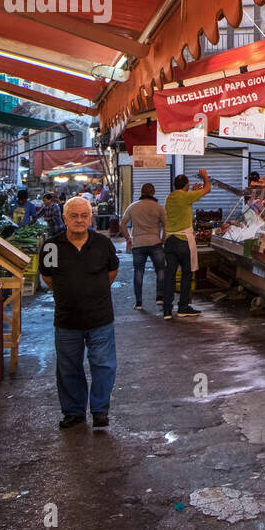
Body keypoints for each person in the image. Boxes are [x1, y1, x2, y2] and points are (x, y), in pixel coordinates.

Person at [40, 196, 119, 429]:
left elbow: (112, 272)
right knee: (68, 368)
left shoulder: (102, 244)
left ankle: (100, 411)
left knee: (104, 365)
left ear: (91, 218)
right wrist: (69, 292)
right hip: (66, 320)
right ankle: (74, 412)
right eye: (73, 216)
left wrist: (93, 290)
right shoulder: (52, 246)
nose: (79, 220)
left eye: (84, 216)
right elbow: (48, 277)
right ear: (64, 218)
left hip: (100, 318)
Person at [162, 169, 211, 320]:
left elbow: (188, 199)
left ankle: (167, 310)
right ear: (186, 185)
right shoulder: (186, 196)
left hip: (169, 241)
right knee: (186, 275)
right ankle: (183, 307)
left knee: (169, 276)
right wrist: (205, 177)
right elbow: (207, 189)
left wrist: (193, 191)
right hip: (183, 241)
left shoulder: (170, 197)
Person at [120, 183, 166, 312]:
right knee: (161, 270)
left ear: (141, 192)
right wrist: (162, 240)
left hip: (138, 243)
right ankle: (159, 297)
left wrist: (128, 239)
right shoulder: (159, 207)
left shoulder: (132, 207)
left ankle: (139, 302)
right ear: (154, 192)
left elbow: (122, 224)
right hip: (155, 242)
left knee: (139, 272)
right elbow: (166, 226)